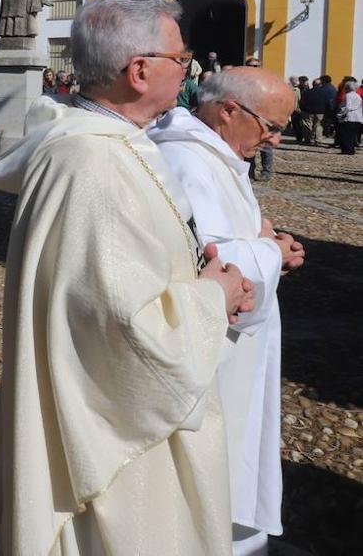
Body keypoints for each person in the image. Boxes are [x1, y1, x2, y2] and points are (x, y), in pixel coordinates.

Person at [0, 0, 254, 555]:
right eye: (182, 58)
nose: (190, 70)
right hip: (120, 443)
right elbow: (121, 328)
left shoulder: (110, 145)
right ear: (139, 69)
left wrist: (195, 267)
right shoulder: (93, 164)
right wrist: (212, 297)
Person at [150, 68, 305, 556]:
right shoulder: (187, 158)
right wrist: (272, 254)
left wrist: (272, 245)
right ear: (228, 110)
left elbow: (238, 235)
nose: (275, 138)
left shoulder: (216, 153)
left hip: (235, 339)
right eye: (270, 127)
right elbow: (213, 263)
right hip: (211, 340)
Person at [299, 77, 332, 145]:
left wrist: (302, 109)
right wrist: (327, 111)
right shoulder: (324, 93)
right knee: (318, 126)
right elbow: (327, 103)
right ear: (320, 85)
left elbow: (302, 102)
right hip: (320, 112)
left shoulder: (307, 92)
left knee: (307, 125)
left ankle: (307, 140)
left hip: (308, 111)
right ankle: (318, 140)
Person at [338, 79, 363, 155]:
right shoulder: (357, 96)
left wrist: (341, 114)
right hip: (357, 118)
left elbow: (348, 107)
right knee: (352, 135)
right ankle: (350, 149)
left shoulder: (348, 95)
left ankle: (347, 149)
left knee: (346, 135)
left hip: (349, 118)